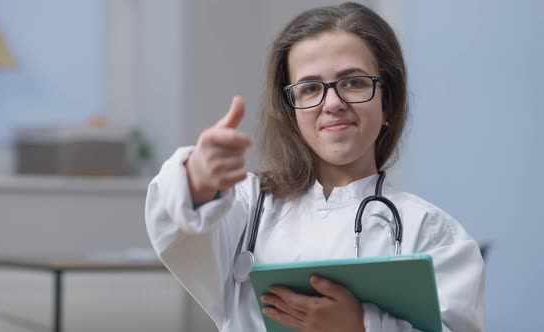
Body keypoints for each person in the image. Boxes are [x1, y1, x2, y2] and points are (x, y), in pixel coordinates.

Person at [145, 2, 484, 331]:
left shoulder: (434, 234)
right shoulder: (247, 208)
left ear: (388, 101)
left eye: (353, 82)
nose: (333, 103)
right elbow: (176, 228)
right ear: (291, 110)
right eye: (310, 89)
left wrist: (360, 327)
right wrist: (198, 179)